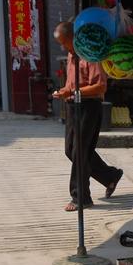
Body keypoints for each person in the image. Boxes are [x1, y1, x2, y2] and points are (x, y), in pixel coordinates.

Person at [52, 21, 123, 212]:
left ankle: (81, 197)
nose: (64, 47)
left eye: (64, 42)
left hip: (89, 107)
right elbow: (73, 83)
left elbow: (100, 86)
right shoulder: (71, 54)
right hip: (73, 106)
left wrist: (72, 92)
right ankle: (110, 176)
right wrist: (64, 91)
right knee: (71, 150)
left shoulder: (90, 54)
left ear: (74, 38)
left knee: (80, 152)